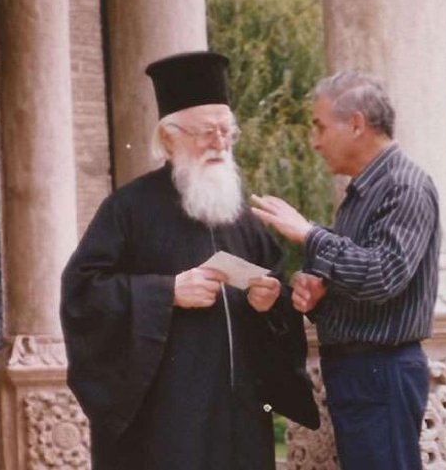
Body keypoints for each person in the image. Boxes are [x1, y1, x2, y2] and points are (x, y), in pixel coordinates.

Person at [61, 51, 318, 470]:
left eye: (227, 132)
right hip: (165, 428)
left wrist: (272, 303)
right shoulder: (128, 209)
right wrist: (166, 292)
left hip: (242, 421)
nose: (220, 143)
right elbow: (82, 294)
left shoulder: (240, 217)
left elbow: (279, 302)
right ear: (169, 138)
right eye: (206, 133)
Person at [251, 71, 440, 470]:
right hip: (362, 373)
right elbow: (362, 281)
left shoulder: (404, 186)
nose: (314, 142)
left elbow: (384, 275)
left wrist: (309, 234)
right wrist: (319, 295)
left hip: (381, 372)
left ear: (355, 124)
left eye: (320, 127)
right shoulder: (362, 192)